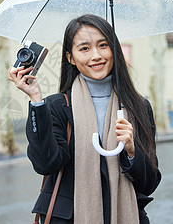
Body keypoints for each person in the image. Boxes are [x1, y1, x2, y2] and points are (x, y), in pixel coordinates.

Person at [8, 14, 161, 224]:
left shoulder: (138, 106)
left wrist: (132, 150)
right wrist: (35, 99)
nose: (96, 55)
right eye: (84, 48)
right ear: (70, 57)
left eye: (103, 45)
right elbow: (46, 164)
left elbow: (149, 183)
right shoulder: (56, 106)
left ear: (114, 50)